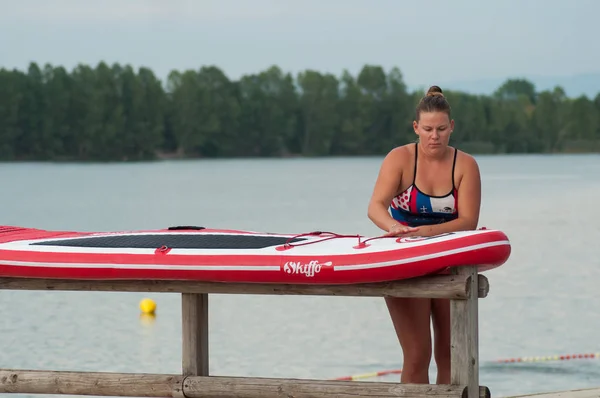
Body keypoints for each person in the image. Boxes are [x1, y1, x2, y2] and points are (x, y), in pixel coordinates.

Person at [367, 85, 482, 384]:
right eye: (428, 129)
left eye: (442, 129)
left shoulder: (466, 165)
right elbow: (375, 207)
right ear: (416, 127)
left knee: (450, 353)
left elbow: (468, 221)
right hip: (407, 261)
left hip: (449, 263)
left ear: (451, 127)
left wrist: (427, 232)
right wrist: (395, 228)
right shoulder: (400, 159)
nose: (435, 136)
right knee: (418, 354)